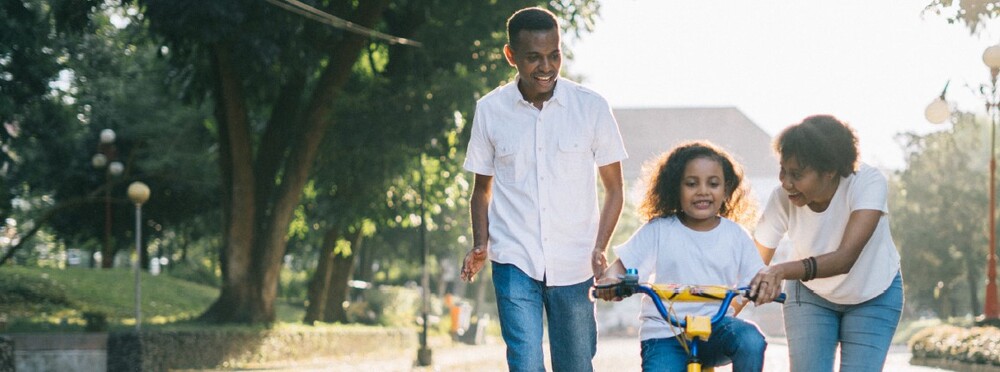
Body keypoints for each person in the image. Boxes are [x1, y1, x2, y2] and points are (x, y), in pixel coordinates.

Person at [458, 6, 628, 372]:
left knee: (576, 365)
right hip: (514, 258)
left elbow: (615, 189)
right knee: (525, 363)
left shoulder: (591, 107)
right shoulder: (490, 110)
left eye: (554, 55)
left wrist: (600, 246)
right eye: (534, 58)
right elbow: (481, 190)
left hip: (575, 262)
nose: (546, 67)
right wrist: (479, 243)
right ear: (511, 56)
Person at [595, 141, 769, 372]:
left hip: (716, 330)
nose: (703, 191)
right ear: (675, 188)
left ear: (726, 190)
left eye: (713, 184)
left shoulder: (736, 235)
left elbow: (756, 277)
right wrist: (611, 282)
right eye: (691, 184)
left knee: (751, 340)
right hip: (665, 332)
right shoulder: (659, 229)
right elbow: (621, 268)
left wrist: (764, 287)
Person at [748, 115, 903, 372]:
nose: (786, 183)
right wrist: (721, 313)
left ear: (829, 170)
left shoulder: (867, 183)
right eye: (783, 170)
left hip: (873, 294)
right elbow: (752, 266)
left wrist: (781, 270)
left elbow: (845, 259)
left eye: (796, 174)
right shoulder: (782, 198)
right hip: (810, 295)